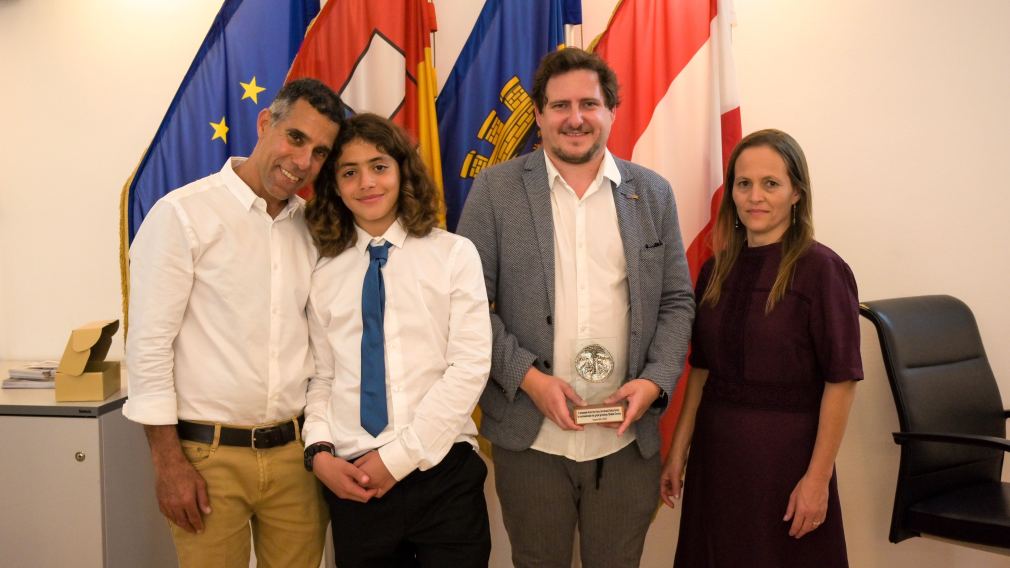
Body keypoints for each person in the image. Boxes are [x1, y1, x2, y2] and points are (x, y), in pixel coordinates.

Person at [456, 48, 695, 568]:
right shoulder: (495, 192)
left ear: (612, 110)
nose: (576, 118)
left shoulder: (652, 194)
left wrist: (654, 381)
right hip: (531, 436)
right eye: (560, 105)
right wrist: (530, 380)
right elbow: (466, 306)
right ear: (538, 115)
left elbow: (678, 300)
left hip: (626, 441)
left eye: (590, 103)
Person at [124, 78, 344, 568]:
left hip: (295, 458)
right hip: (206, 457)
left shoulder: (313, 229)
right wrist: (168, 465)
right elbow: (149, 347)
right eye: (296, 138)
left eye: (321, 152)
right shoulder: (182, 216)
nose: (304, 162)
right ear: (266, 123)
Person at [661, 129, 862, 567]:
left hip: (785, 463)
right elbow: (701, 369)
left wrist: (817, 479)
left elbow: (842, 381)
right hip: (716, 460)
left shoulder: (822, 270)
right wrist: (678, 452)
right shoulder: (715, 269)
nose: (755, 196)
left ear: (796, 194)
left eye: (771, 184)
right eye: (744, 183)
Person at [301, 113, 493, 567]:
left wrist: (399, 458)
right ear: (334, 184)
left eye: (379, 166)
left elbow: (468, 368)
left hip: (442, 473)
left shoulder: (453, 254)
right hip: (355, 479)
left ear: (403, 169)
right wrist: (319, 451)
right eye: (349, 172)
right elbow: (322, 377)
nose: (366, 182)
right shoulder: (322, 272)